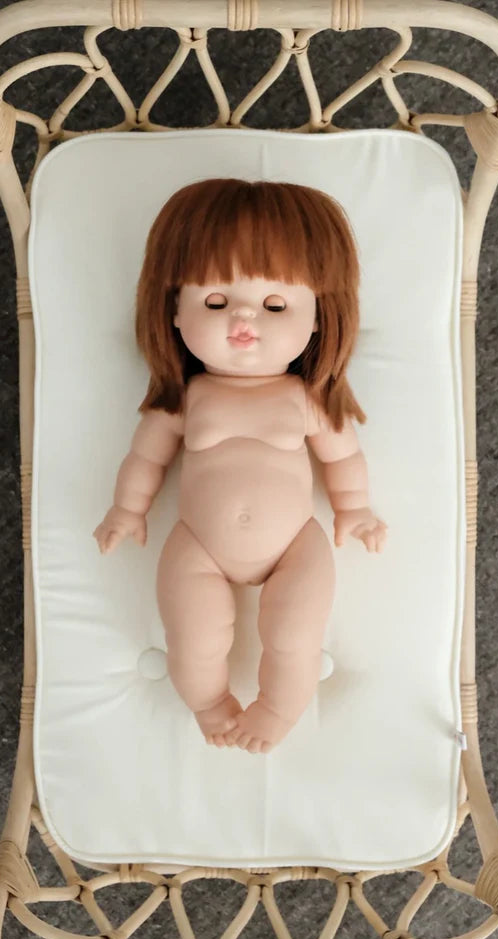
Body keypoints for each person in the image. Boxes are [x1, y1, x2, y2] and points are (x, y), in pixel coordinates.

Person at [94, 178, 386, 753]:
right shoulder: (187, 398)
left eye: (276, 306)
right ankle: (209, 705)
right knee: (193, 638)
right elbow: (145, 456)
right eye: (215, 303)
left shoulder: (304, 399)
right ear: (174, 312)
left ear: (317, 318)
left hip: (296, 546)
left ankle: (278, 713)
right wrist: (127, 509)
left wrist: (354, 509)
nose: (244, 319)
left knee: (294, 637)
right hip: (198, 545)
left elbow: (344, 455)